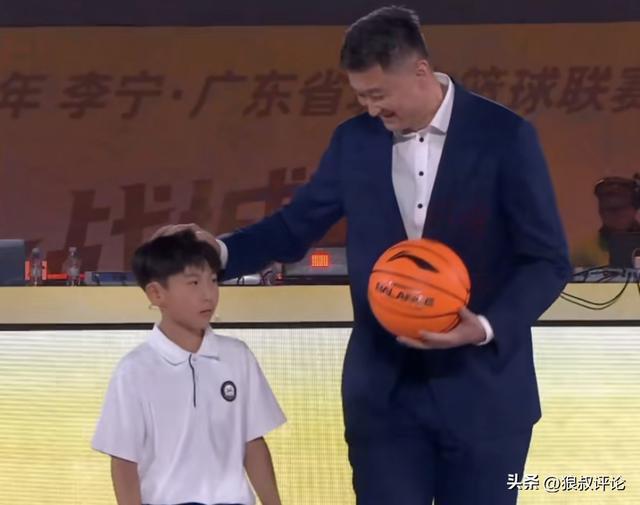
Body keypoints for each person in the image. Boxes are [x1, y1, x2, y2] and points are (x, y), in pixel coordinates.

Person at [155, 6, 571, 504]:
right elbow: (294, 226)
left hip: (486, 397)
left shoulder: (505, 136)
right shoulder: (354, 142)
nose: (372, 110)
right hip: (384, 399)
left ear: (420, 71)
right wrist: (219, 251)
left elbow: (547, 260)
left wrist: (483, 326)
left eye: (378, 95)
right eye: (361, 97)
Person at [92, 230, 285, 505]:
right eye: (193, 283)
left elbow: (252, 443)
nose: (208, 295)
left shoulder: (237, 357)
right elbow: (123, 462)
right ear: (157, 293)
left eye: (213, 280)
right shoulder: (134, 370)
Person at [572, 174, 640, 267]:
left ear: (634, 209)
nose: (617, 214)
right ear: (600, 211)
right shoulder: (583, 253)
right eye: (609, 209)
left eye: (622, 207)